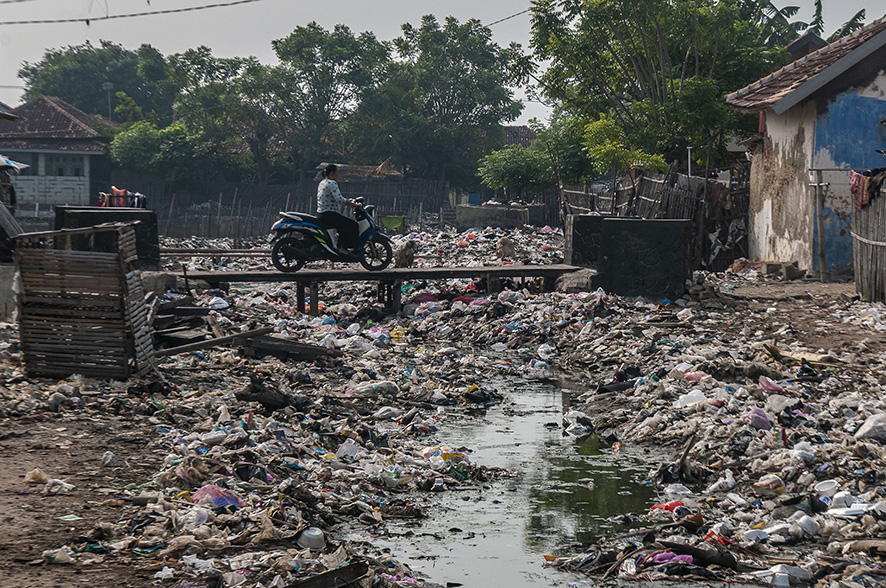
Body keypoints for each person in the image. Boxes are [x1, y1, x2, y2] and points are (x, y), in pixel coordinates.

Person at [316, 164, 360, 253]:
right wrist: (355, 205)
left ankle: (339, 247)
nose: (338, 175)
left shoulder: (323, 182)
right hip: (329, 214)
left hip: (321, 214)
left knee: (343, 226)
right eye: (337, 173)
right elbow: (339, 199)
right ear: (332, 173)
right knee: (352, 225)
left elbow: (335, 197)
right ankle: (343, 248)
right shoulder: (332, 183)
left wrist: (347, 200)